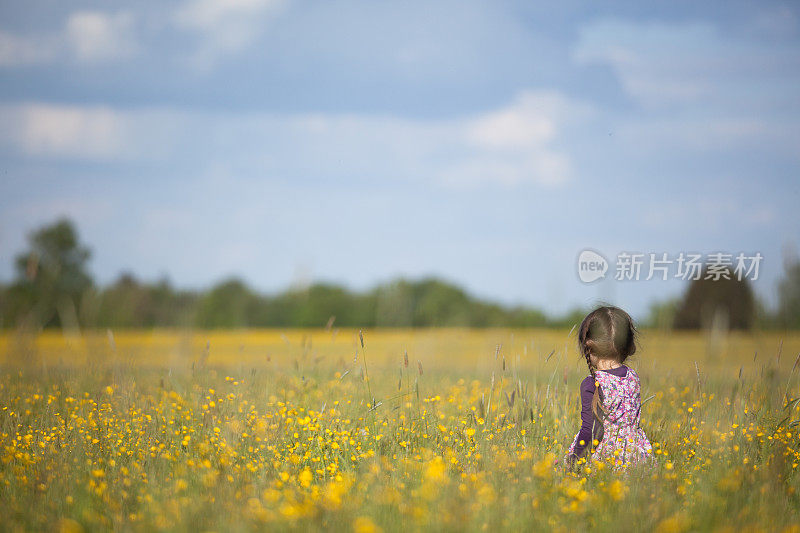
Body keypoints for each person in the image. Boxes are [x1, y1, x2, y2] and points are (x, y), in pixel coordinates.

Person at [565, 305, 654, 470]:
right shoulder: (633, 376)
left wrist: (574, 459)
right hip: (637, 458)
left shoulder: (593, 383)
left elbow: (592, 431)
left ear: (588, 347)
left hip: (607, 461)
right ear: (628, 346)